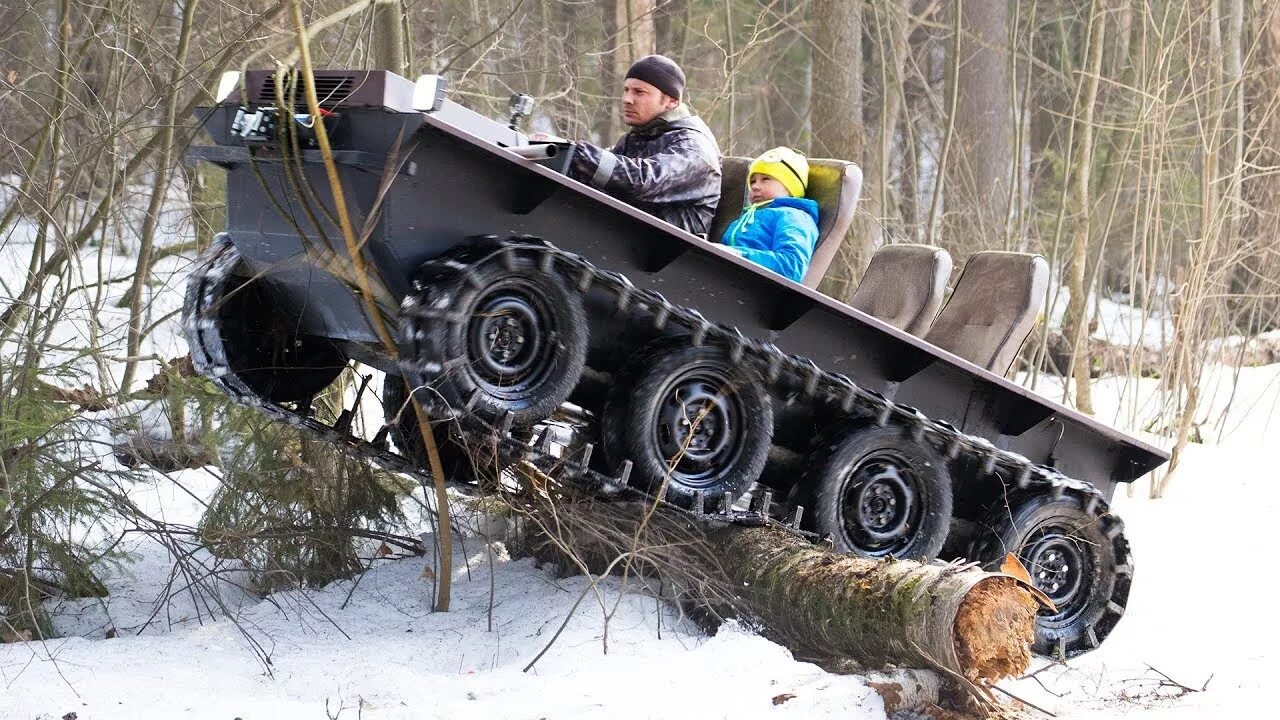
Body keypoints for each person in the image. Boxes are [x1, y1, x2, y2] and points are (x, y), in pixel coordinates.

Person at [553, 55, 722, 236]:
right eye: (626, 90)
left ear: (672, 101)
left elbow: (645, 181)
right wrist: (551, 152)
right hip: (619, 237)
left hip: (664, 256)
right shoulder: (640, 136)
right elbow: (594, 175)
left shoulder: (695, 147)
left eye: (639, 92)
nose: (627, 99)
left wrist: (574, 152)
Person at [718, 147, 819, 283]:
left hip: (756, 290)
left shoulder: (794, 216)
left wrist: (739, 255)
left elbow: (791, 265)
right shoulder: (746, 218)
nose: (755, 186)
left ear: (790, 186)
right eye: (753, 181)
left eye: (765, 179)